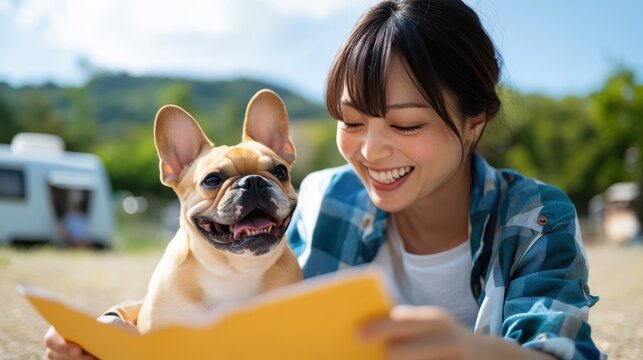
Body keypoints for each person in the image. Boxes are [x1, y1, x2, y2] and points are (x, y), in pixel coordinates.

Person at [45, 0, 604, 359]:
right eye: (352, 121)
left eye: (406, 123)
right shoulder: (327, 196)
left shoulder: (535, 218)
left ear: (474, 121)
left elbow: (559, 348)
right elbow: (242, 316)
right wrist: (115, 325)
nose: (371, 149)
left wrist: (471, 352)